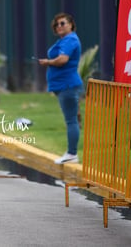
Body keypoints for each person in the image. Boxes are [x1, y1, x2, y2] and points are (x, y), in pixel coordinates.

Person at [38, 12, 83, 164]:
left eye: (62, 23)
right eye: (57, 24)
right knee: (71, 119)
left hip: (67, 85)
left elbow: (63, 60)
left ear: (71, 24)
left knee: (71, 120)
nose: (59, 26)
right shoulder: (65, 40)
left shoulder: (70, 40)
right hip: (64, 86)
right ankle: (71, 153)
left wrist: (48, 62)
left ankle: (72, 154)